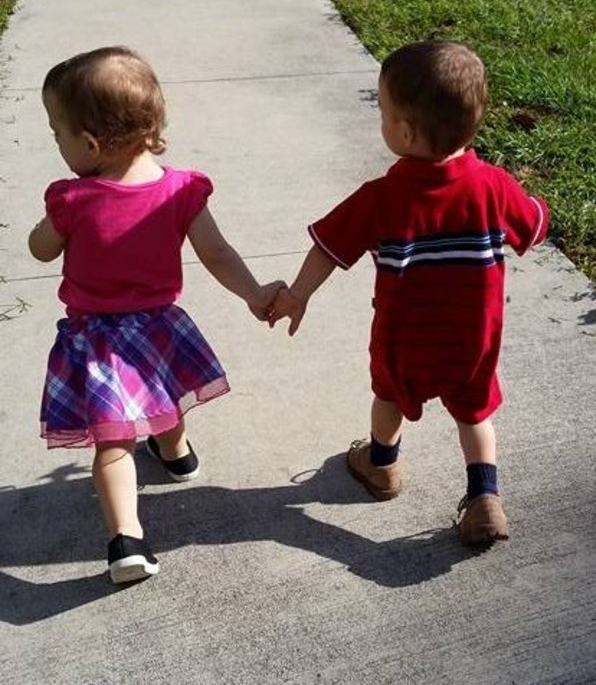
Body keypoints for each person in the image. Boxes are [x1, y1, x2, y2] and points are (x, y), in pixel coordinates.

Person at [269, 41, 549, 546]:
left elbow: (330, 249)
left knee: (389, 397)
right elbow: (532, 226)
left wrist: (299, 294)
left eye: (382, 110)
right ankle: (485, 496)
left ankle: (381, 465)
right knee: (474, 413)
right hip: (473, 338)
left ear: (404, 131)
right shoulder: (494, 187)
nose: (382, 120)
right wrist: (535, 206)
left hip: (403, 339)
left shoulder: (382, 197)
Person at [29, 46, 283, 582]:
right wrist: (255, 292)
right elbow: (217, 253)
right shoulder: (182, 190)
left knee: (113, 442)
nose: (56, 143)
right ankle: (178, 454)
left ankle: (126, 542)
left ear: (91, 143)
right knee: (161, 395)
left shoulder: (73, 199)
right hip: (160, 328)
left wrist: (50, 222)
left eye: (58, 133)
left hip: (96, 340)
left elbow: (41, 249)